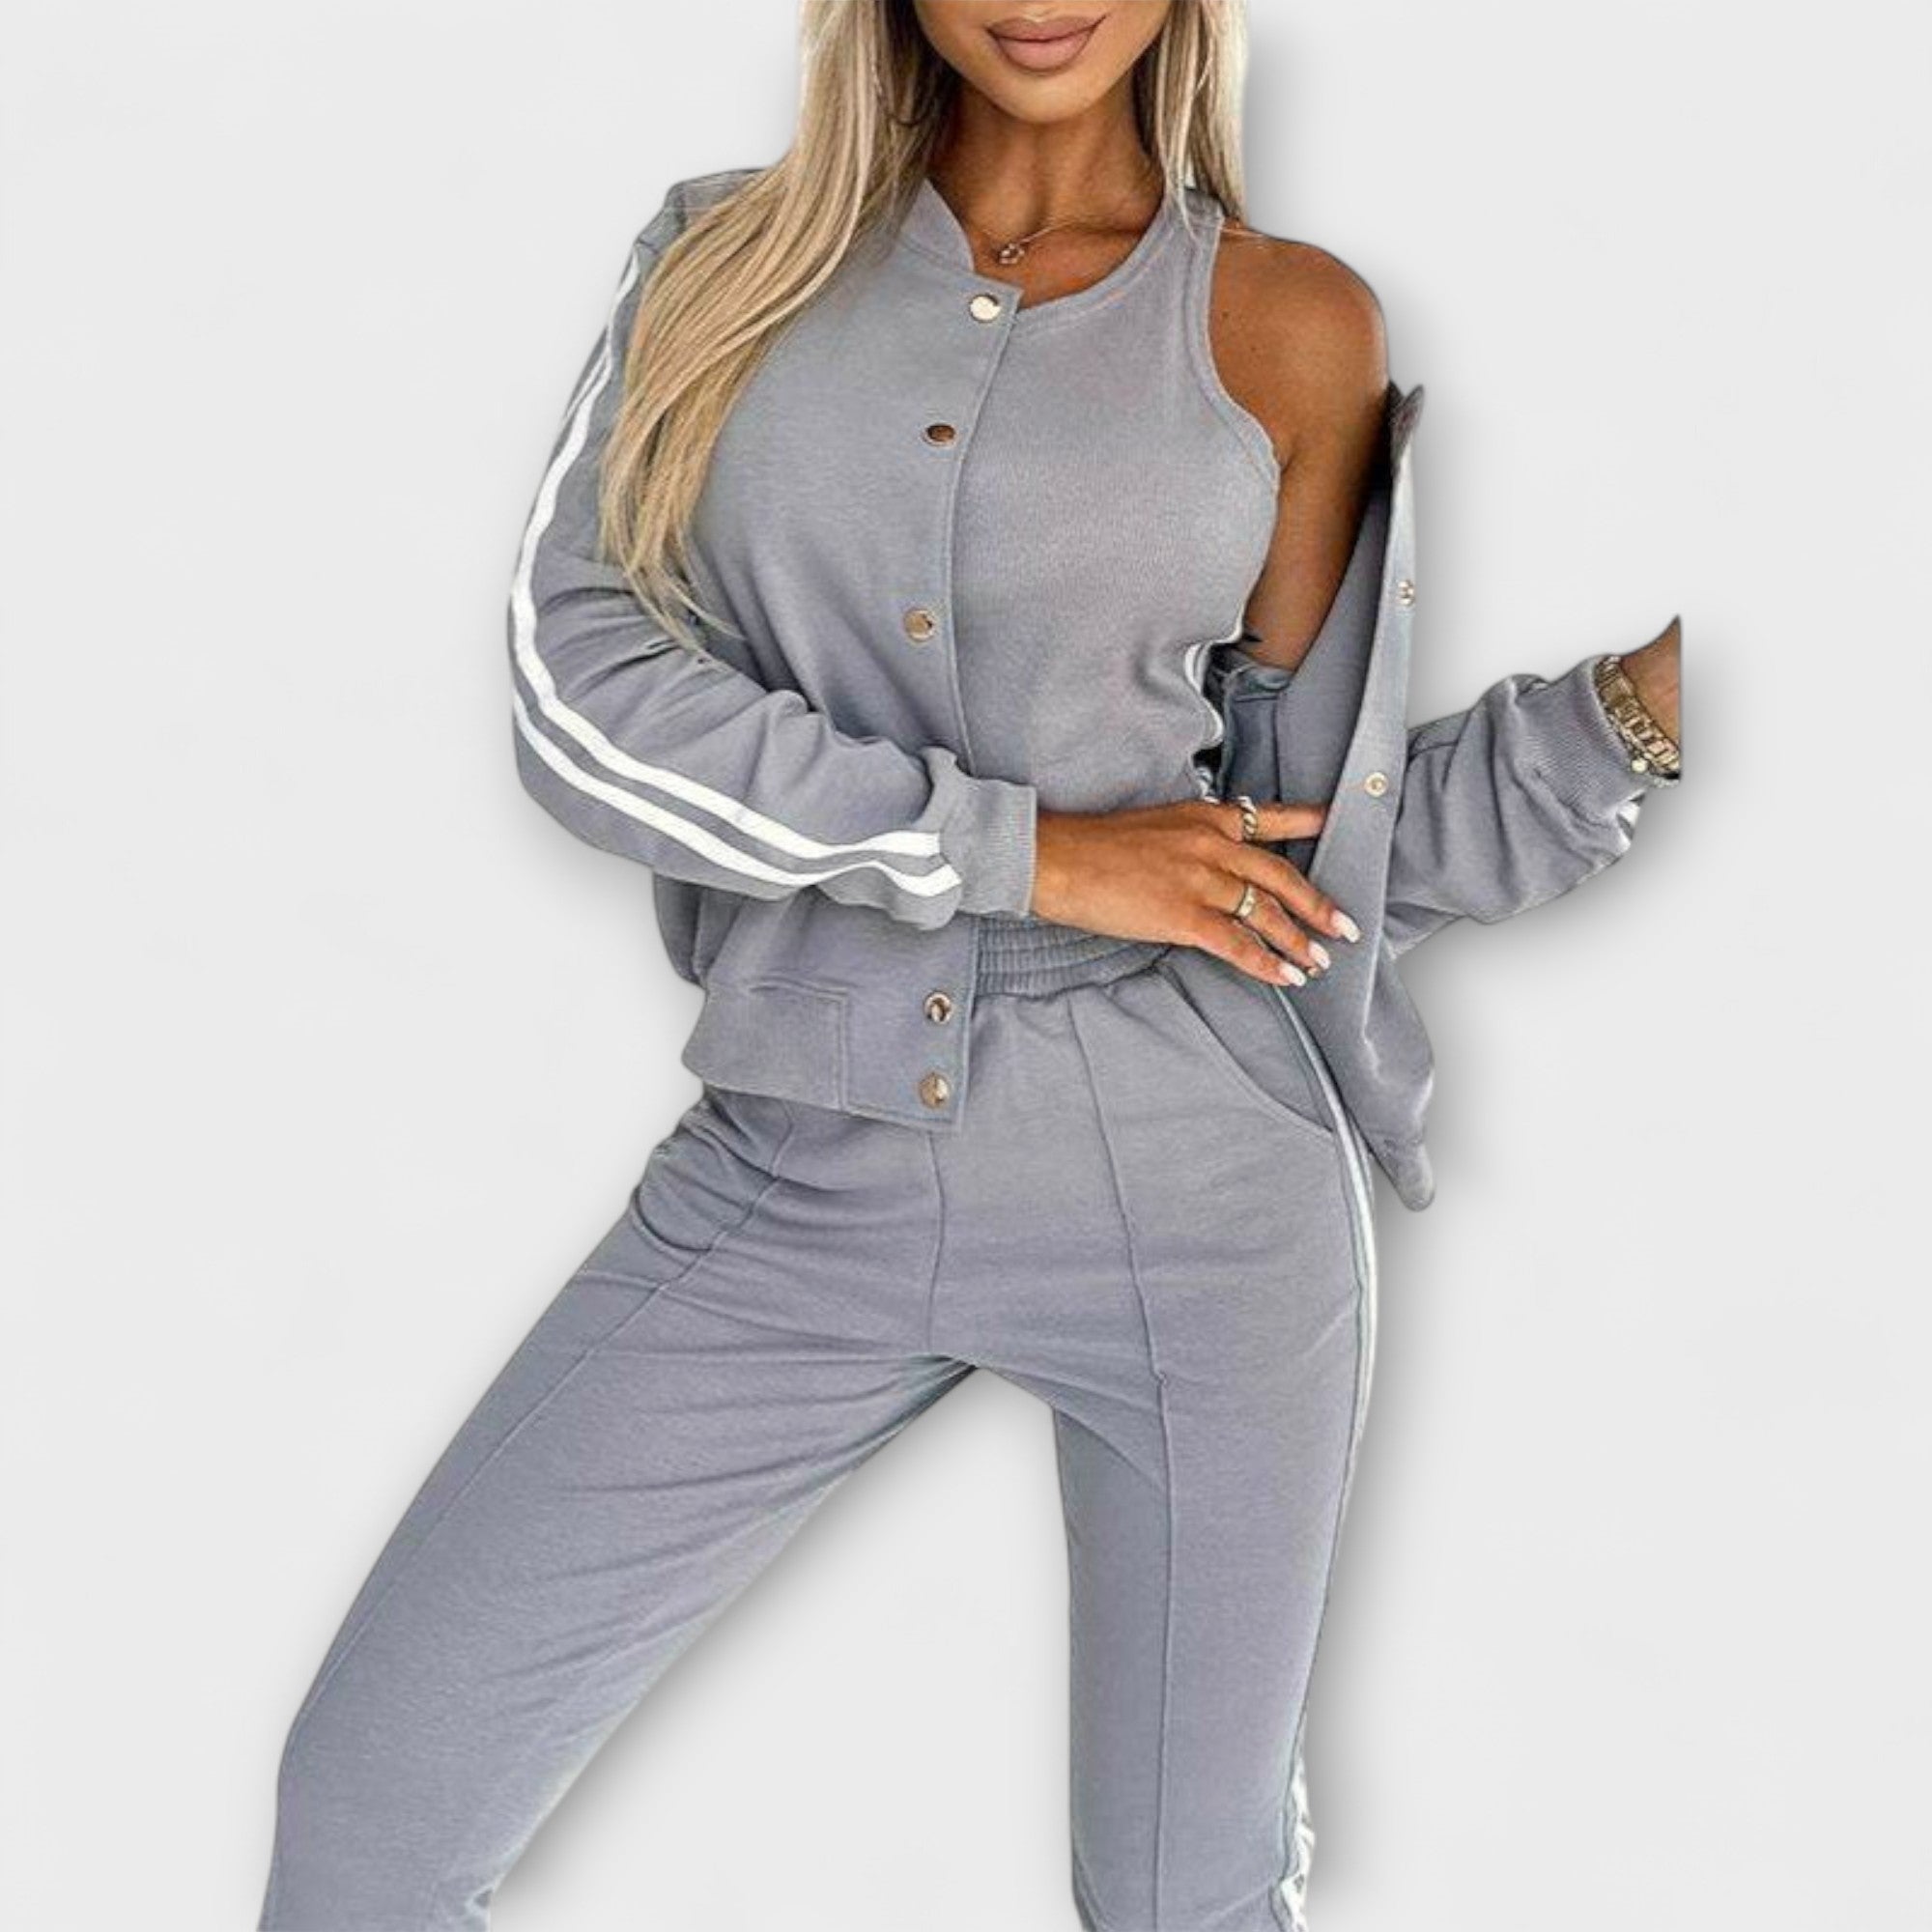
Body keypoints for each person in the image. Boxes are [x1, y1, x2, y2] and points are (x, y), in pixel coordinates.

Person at [255, 3, 1683, 1927]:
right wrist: (1022, 853)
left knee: (1183, 1897)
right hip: (797, 1161)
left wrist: (1624, 724)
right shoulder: (721, 267)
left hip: (1202, 1196)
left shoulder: (1289, 326)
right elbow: (579, 700)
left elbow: (1303, 851)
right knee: (371, 1812)